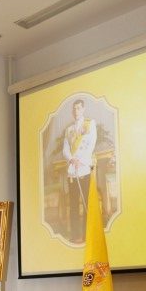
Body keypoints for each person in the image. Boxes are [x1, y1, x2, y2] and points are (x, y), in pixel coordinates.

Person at [62, 98, 97, 243]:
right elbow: (65, 149)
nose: (76, 111)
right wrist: (71, 159)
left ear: (83, 109)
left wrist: (80, 160)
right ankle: (75, 235)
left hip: (84, 169)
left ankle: (87, 235)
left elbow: (91, 144)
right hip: (73, 171)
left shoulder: (90, 124)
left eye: (78, 108)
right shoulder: (69, 130)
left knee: (86, 203)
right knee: (74, 205)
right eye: (74, 109)